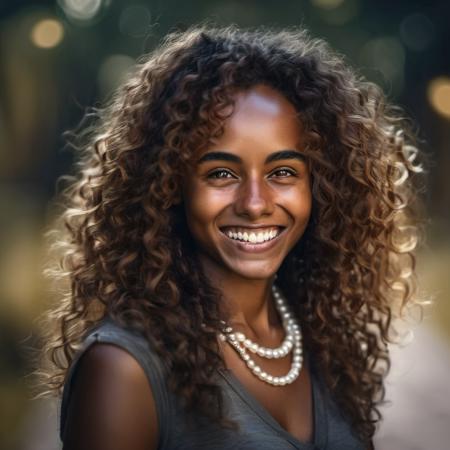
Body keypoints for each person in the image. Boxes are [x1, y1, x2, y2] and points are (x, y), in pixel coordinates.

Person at [35, 23, 427, 450]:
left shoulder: (322, 339)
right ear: (169, 185)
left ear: (321, 186)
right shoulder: (124, 368)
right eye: (221, 173)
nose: (255, 203)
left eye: (283, 172)